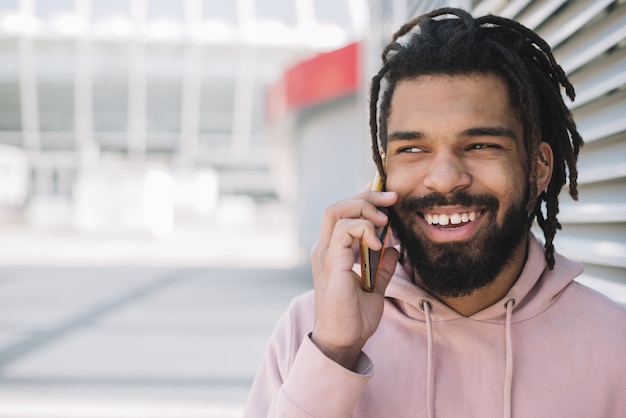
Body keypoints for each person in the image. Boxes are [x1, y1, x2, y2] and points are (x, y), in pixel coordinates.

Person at [243, 8, 626, 418]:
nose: (443, 180)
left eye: (480, 145)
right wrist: (336, 351)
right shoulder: (311, 329)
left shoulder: (615, 344)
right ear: (383, 172)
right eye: (412, 150)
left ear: (537, 168)